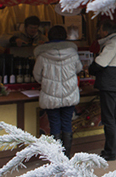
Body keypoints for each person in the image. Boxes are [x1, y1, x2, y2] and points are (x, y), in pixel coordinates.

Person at [32, 25, 82, 158]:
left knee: (54, 125)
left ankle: (56, 157)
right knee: (67, 123)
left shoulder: (42, 56)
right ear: (65, 36)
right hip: (69, 94)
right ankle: (67, 156)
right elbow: (79, 69)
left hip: (50, 94)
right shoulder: (73, 53)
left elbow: (37, 76)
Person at [88, 20, 116, 161]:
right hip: (115, 84)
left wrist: (90, 68)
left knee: (109, 119)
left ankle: (110, 151)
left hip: (108, 85)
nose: (99, 32)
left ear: (105, 31)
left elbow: (99, 64)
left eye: (100, 29)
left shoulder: (111, 44)